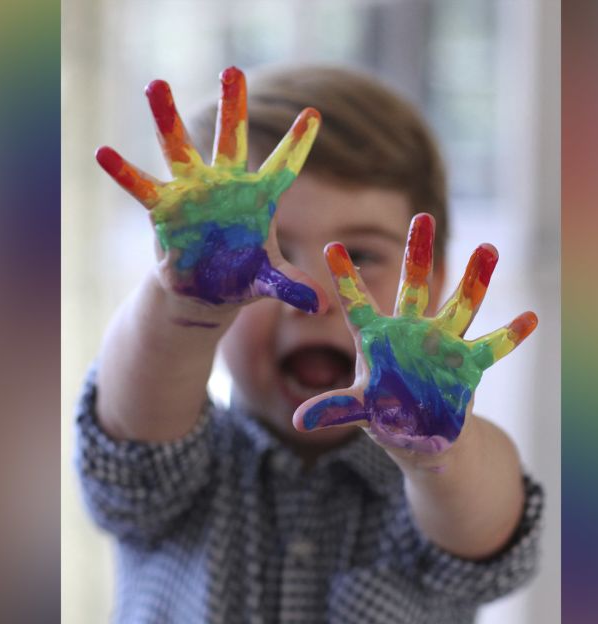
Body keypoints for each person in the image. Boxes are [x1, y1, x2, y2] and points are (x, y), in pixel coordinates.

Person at [77, 64, 543, 623]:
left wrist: (443, 455)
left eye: (363, 257)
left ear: (435, 284)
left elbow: (486, 533)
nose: (317, 296)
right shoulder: (179, 470)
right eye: (263, 252)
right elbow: (133, 431)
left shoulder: (434, 493)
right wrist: (185, 308)